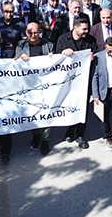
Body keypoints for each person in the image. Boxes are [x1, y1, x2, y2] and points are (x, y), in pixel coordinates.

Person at [54, 17, 97, 148]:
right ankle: (70, 129)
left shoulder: (90, 40)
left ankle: (80, 134)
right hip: (68, 82)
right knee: (70, 106)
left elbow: (96, 54)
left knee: (83, 108)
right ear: (75, 28)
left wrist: (93, 57)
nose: (86, 31)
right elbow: (55, 58)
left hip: (84, 81)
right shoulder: (63, 39)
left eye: (87, 29)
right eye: (84, 29)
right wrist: (62, 53)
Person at [15, 23, 55, 155]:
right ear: (26, 33)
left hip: (45, 85)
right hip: (28, 86)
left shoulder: (48, 45)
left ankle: (45, 139)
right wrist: (20, 59)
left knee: (45, 111)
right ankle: (35, 134)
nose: (33, 35)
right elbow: (15, 65)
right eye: (30, 32)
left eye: (36, 32)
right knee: (32, 111)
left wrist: (53, 57)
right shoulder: (21, 45)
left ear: (40, 32)